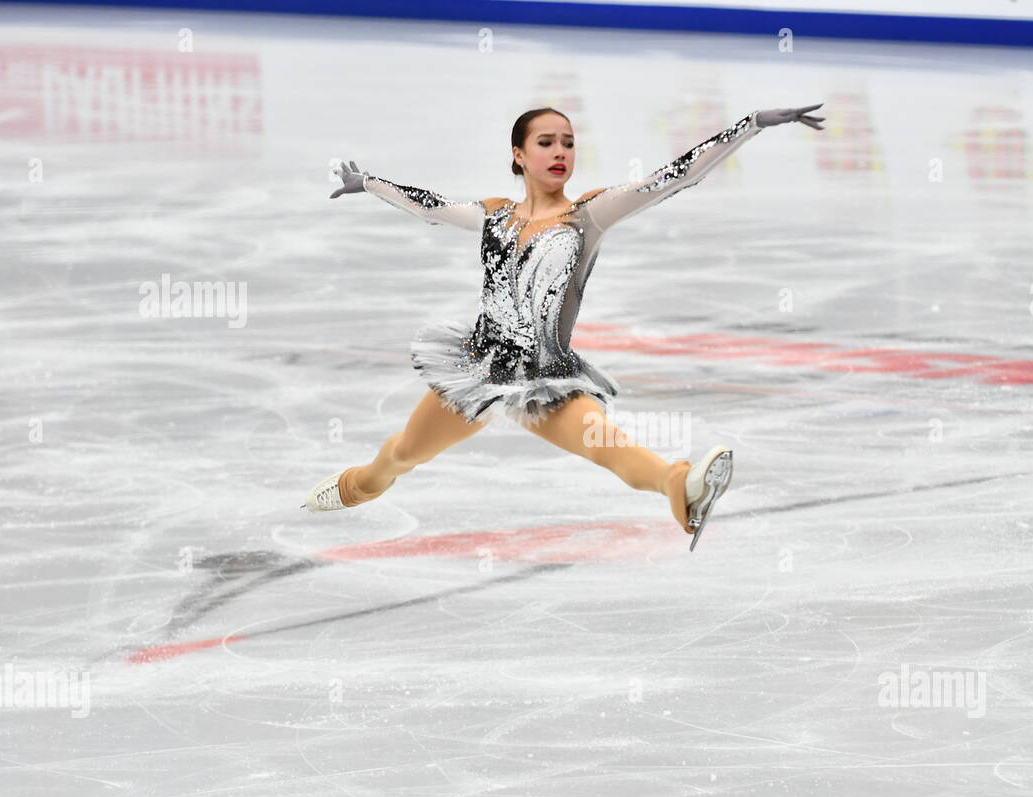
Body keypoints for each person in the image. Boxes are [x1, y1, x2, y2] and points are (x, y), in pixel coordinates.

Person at [304, 103, 825, 551]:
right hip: (480, 368)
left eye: (569, 143)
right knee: (401, 454)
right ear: (518, 154)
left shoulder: (588, 215)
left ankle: (681, 487)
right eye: (546, 142)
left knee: (606, 444)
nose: (561, 152)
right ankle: (359, 486)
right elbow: (432, 208)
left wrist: (752, 123)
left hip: (544, 378)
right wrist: (369, 183)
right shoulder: (495, 215)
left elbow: (679, 175)